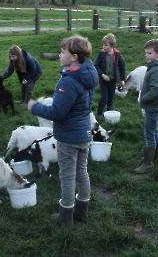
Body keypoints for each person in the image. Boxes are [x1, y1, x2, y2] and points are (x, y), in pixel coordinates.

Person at [28, 35, 98, 228]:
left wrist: (35, 107)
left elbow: (57, 113)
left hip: (69, 137)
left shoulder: (69, 81)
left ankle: (66, 216)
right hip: (84, 133)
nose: (60, 55)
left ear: (74, 56)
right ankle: (82, 212)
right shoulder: (88, 74)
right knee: (82, 172)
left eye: (63, 51)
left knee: (67, 176)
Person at [134, 38, 158, 174]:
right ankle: (154, 156)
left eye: (150, 53)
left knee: (149, 133)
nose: (146, 56)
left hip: (152, 106)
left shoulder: (157, 71)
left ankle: (148, 162)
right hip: (155, 106)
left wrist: (143, 99)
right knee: (154, 131)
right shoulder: (157, 68)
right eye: (146, 53)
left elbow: (155, 91)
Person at [94, 33, 126, 117]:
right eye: (103, 45)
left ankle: (109, 111)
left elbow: (122, 67)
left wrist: (122, 79)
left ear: (112, 45)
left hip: (113, 80)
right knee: (104, 97)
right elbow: (96, 66)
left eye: (106, 45)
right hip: (103, 80)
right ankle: (99, 113)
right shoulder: (101, 54)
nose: (104, 47)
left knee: (111, 97)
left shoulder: (118, 55)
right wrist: (102, 75)